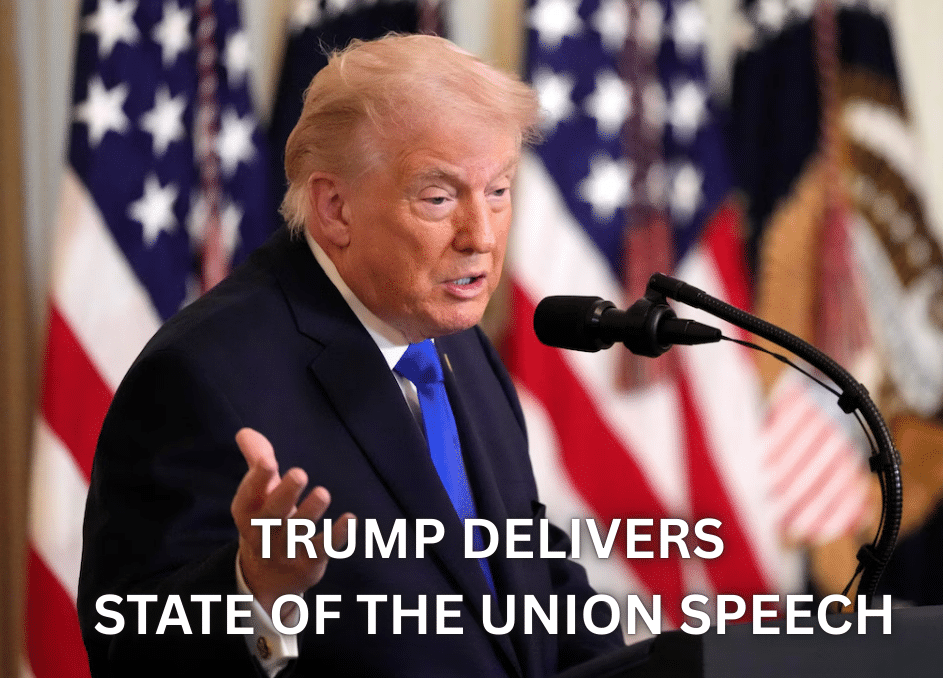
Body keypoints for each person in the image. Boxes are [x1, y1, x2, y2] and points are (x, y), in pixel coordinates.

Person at [79, 34, 623, 677]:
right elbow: (129, 650)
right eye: (440, 198)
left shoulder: (458, 340)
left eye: (498, 191)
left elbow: (532, 577)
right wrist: (255, 591)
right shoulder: (203, 376)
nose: (480, 236)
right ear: (335, 207)